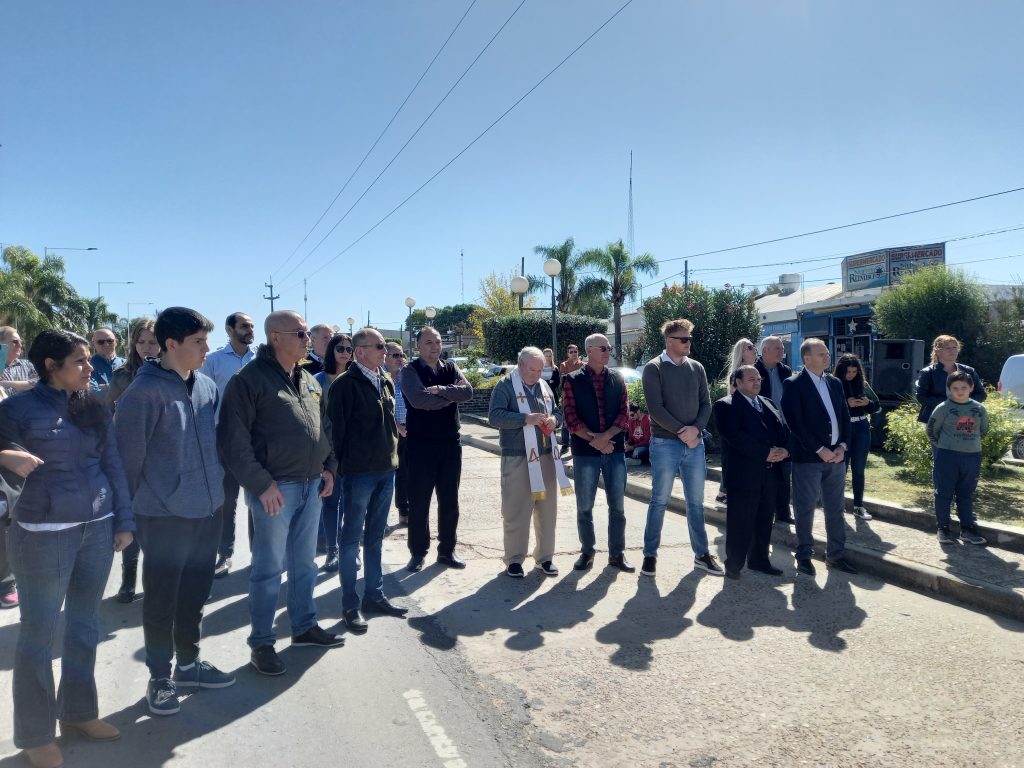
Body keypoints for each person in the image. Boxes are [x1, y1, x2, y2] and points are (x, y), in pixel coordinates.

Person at [0, 329, 135, 768]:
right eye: (80, 361)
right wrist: (5, 455)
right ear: (50, 365)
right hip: (41, 533)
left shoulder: (93, 405)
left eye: (89, 359)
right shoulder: (16, 409)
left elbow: (112, 462)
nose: (90, 368)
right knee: (38, 636)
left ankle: (79, 713)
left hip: (96, 528)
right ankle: (35, 734)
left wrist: (123, 520)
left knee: (84, 625)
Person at [115, 307, 234, 716]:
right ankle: (159, 676)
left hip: (208, 509)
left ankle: (188, 664)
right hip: (163, 516)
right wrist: (124, 520)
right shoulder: (141, 395)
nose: (206, 349)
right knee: (162, 600)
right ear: (171, 344)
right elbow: (126, 463)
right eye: (198, 342)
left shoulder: (205, 386)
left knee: (195, 595)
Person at [218, 310, 344, 677]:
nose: (308, 339)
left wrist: (329, 466)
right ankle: (261, 642)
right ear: (276, 337)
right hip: (275, 489)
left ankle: (303, 626)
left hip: (311, 484)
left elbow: (324, 426)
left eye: (307, 333)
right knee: (269, 569)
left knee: (305, 564)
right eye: (300, 333)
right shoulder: (248, 380)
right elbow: (233, 441)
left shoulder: (307, 379)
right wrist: (261, 484)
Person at [327, 327, 408, 634]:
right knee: (351, 541)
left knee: (375, 538)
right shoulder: (345, 385)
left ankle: (375, 596)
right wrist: (344, 468)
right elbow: (336, 433)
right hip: (359, 474)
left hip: (386, 471)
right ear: (360, 351)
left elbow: (390, 424)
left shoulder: (384, 380)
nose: (385, 351)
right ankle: (350, 605)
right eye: (379, 346)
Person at [640, 319, 723, 577]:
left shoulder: (696, 367)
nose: (688, 343)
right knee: (659, 500)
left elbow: (706, 404)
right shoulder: (654, 368)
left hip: (695, 444)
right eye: (684, 339)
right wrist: (683, 432)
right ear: (669, 341)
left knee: (696, 502)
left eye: (690, 339)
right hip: (665, 443)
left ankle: (701, 554)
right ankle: (650, 555)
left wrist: (696, 430)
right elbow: (656, 409)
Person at [488, 347, 570, 577]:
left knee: (547, 510)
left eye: (540, 370)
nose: (537, 374)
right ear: (520, 365)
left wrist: (554, 420)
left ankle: (545, 558)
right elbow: (495, 416)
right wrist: (525, 419)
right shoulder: (505, 386)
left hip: (546, 456)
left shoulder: (544, 386)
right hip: (517, 457)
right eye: (532, 369)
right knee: (516, 510)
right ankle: (514, 559)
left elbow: (557, 411)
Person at [781, 338, 857, 576]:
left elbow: (844, 416)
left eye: (827, 353)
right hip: (809, 459)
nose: (827, 356)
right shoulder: (794, 384)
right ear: (807, 358)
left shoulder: (834, 383)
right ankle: (804, 555)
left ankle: (836, 556)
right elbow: (795, 423)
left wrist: (842, 446)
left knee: (836, 509)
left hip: (836, 458)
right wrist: (819, 449)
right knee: (805, 509)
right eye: (821, 353)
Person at [400, 326, 473, 572]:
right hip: (421, 445)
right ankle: (418, 552)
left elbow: (468, 392)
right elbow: (419, 401)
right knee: (419, 502)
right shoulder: (410, 371)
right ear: (418, 346)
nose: (435, 346)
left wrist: (441, 391)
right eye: (429, 342)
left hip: (450, 444)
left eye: (438, 342)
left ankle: (447, 551)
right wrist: (452, 396)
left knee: (450, 500)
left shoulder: (450, 368)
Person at [563, 333, 634, 573]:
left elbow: (624, 414)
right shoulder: (572, 380)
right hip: (585, 452)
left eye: (609, 348)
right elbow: (570, 418)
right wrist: (596, 441)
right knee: (585, 506)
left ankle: (617, 554)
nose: (608, 352)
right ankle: (587, 552)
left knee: (618, 507)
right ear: (590, 350)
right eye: (603, 348)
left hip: (614, 450)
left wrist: (605, 438)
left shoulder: (617, 378)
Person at [713, 366, 790, 579]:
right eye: (751, 379)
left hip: (770, 474)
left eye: (759, 378)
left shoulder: (768, 402)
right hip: (744, 476)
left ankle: (759, 561)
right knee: (741, 523)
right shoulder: (725, 405)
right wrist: (765, 453)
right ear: (738, 382)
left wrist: (785, 450)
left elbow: (784, 430)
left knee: (764, 521)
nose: (757, 382)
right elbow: (735, 437)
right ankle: (734, 565)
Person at [106, 318, 161, 604]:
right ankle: (128, 579)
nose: (146, 348)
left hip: (163, 459)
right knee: (133, 517)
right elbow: (104, 412)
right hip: (129, 458)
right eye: (141, 342)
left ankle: (159, 580)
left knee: (160, 521)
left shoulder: (174, 373)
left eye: (152, 342)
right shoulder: (122, 376)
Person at [200, 312, 256, 578]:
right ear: (230, 330)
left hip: (256, 438)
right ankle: (225, 554)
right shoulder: (213, 361)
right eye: (244, 326)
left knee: (258, 498)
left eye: (252, 326)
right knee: (226, 501)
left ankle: (260, 553)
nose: (250, 330)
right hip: (223, 438)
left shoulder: (260, 360)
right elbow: (203, 400)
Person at [926, 370, 988, 546]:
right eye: (955, 388)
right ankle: (943, 528)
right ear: (949, 389)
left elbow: (983, 430)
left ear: (971, 387)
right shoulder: (943, 408)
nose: (960, 391)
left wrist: (967, 443)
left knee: (966, 493)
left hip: (972, 457)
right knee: (943, 493)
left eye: (964, 387)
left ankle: (967, 529)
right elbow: (931, 431)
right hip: (947, 456)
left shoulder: (979, 409)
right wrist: (945, 445)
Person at [314, 333, 353, 572]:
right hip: (329, 452)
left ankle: (351, 550)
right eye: (340, 348)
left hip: (355, 452)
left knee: (353, 504)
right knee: (331, 502)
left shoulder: (356, 378)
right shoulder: (317, 380)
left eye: (349, 349)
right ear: (331, 350)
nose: (345, 353)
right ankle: (332, 551)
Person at [833, 354, 880, 521]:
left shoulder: (863, 384)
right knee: (841, 469)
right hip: (843, 429)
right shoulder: (834, 384)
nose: (851, 375)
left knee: (859, 469)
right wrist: (847, 403)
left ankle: (858, 506)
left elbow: (877, 407)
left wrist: (867, 403)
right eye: (848, 372)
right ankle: (836, 506)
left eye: (854, 372)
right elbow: (828, 409)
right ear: (841, 370)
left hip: (861, 427)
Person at [754, 336, 795, 525]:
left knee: (784, 473)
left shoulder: (785, 371)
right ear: (765, 351)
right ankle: (763, 511)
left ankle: (783, 513)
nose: (781, 351)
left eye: (782, 348)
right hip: (762, 429)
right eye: (777, 348)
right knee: (764, 473)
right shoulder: (753, 371)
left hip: (784, 429)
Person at [716, 338, 759, 503]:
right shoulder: (737, 374)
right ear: (741, 352)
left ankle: (724, 492)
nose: (754, 350)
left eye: (754, 347)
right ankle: (726, 492)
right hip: (739, 422)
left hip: (752, 422)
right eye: (750, 347)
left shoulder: (755, 371)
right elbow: (736, 399)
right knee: (733, 457)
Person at [915, 335, 986, 423]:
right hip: (936, 418)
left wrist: (964, 402)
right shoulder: (928, 373)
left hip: (966, 418)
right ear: (938, 351)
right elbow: (921, 397)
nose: (952, 351)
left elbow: (981, 394)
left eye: (955, 347)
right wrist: (948, 403)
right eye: (948, 348)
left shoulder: (969, 371)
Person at [385, 341, 410, 526]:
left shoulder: (407, 377)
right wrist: (397, 426)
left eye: (402, 355)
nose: (400, 359)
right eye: (395, 355)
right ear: (385, 357)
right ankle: (381, 519)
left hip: (409, 432)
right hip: (388, 434)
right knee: (386, 477)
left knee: (405, 474)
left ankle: (404, 511)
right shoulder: (380, 378)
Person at [557, 344, 584, 454]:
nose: (574, 354)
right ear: (568, 354)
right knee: (566, 420)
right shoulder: (564, 365)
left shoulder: (582, 364)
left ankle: (578, 442)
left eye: (575, 351)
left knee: (580, 419)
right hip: (567, 396)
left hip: (580, 396)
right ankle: (565, 444)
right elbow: (564, 380)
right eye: (571, 352)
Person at [0, 326, 39, 394]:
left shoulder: (28, 365)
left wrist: (10, 384)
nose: (20, 345)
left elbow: (43, 383)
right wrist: (26, 386)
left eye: (21, 342)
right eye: (15, 341)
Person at [88, 327, 123, 394]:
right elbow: (93, 393)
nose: (106, 344)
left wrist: (107, 387)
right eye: (100, 342)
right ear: (93, 344)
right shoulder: (89, 366)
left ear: (116, 342)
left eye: (110, 341)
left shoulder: (127, 364)